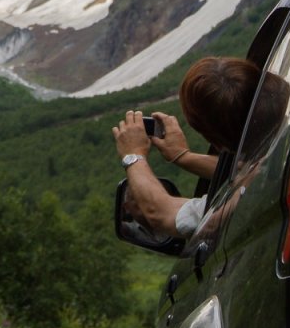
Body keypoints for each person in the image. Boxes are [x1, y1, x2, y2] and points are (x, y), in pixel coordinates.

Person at [112, 56, 262, 238]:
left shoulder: (238, 201)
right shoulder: (276, 154)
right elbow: (243, 171)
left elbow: (161, 215)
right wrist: (182, 156)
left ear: (209, 136)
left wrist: (133, 155)